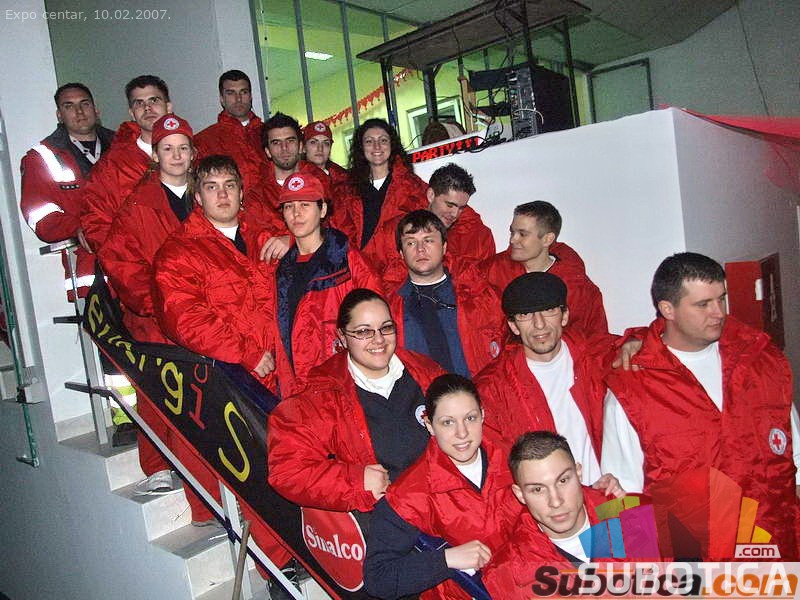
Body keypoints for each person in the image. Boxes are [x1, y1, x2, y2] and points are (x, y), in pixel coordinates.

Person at [602, 252, 799, 560]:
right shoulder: (633, 389)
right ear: (667, 309)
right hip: (697, 566)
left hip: (776, 556)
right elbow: (623, 495)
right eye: (703, 304)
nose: (718, 313)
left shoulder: (763, 362)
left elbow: (793, 460)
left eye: (722, 299)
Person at [268, 288, 444, 513]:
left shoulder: (426, 372)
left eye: (386, 328)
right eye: (363, 332)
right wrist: (356, 481)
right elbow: (288, 471)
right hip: (395, 520)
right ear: (342, 337)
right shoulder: (326, 395)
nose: (379, 339)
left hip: (447, 504)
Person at [363, 374, 519, 600]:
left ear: (483, 415)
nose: (462, 433)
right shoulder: (412, 493)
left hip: (531, 583)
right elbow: (378, 578)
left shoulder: (515, 457)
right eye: (448, 422)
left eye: (470, 418)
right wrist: (446, 559)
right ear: (429, 425)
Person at [474, 272, 613, 488]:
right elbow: (500, 472)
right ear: (513, 326)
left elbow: (656, 344)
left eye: (548, 310)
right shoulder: (492, 389)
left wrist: (634, 342)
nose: (539, 324)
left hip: (613, 495)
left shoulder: (598, 355)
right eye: (525, 315)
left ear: (564, 315)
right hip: (549, 504)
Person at [152, 155, 279, 390]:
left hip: (286, 370)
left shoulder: (266, 237)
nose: (222, 195)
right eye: (212, 187)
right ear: (198, 197)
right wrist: (245, 353)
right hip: (234, 378)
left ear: (241, 192)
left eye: (229, 185)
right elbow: (186, 319)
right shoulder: (178, 252)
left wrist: (293, 241)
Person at [270, 171, 381, 398]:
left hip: (343, 385)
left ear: (322, 210)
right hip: (298, 391)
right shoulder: (280, 269)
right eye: (289, 206)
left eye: (305, 205)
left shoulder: (347, 261)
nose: (296, 213)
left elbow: (377, 323)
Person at [482, 432, 626, 600]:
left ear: (579, 473)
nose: (556, 501)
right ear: (520, 494)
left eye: (563, 481)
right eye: (538, 489)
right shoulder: (506, 574)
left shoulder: (630, 518)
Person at [19, 82, 115, 300]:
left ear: (96, 110)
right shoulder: (41, 158)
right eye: (69, 106)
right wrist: (82, 227)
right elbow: (41, 218)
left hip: (139, 266)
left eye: (84, 104)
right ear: (59, 115)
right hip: (93, 276)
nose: (79, 112)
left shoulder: (124, 146)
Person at [385, 209, 504, 378]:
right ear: (401, 253)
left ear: (444, 247)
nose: (420, 249)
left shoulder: (479, 295)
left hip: (475, 390)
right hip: (419, 393)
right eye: (411, 243)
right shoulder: (389, 305)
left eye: (428, 240)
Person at [482, 201, 608, 338]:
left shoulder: (577, 287)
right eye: (512, 232)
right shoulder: (492, 271)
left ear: (547, 239)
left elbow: (594, 339)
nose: (513, 239)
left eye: (522, 234)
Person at [81, 75, 173, 252]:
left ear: (168, 107)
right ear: (131, 113)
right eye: (139, 103)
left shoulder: (194, 155)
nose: (147, 108)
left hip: (194, 264)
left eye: (154, 100)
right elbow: (97, 224)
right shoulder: (111, 166)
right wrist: (129, 264)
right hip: (141, 265)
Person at [332, 118, 427, 266]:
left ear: (392, 144)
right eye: (369, 141)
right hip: (360, 268)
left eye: (383, 140)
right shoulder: (347, 191)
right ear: (361, 147)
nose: (377, 146)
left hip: (401, 268)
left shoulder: (412, 185)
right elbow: (340, 232)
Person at [368, 163, 495, 272]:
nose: (455, 214)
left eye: (461, 207)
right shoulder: (394, 230)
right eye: (450, 205)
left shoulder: (479, 237)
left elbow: (485, 285)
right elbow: (368, 275)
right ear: (431, 195)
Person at [245, 112, 327, 251]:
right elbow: (257, 240)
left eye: (290, 141)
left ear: (300, 146)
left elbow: (338, 228)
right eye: (276, 143)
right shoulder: (257, 196)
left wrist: (293, 240)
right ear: (268, 152)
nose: (284, 148)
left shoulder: (323, 182)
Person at [194, 70, 268, 193]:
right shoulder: (204, 141)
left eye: (243, 92)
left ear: (250, 96)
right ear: (222, 99)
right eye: (231, 93)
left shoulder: (271, 135)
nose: (238, 99)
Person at [302, 120, 349, 187]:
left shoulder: (343, 178)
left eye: (326, 143)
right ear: (303, 147)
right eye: (313, 142)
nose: (320, 148)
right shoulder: (296, 179)